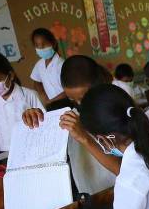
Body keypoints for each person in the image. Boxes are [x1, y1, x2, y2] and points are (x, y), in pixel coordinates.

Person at [22, 55, 119, 193]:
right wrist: (35, 118)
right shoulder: (71, 114)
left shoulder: (117, 114)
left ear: (99, 85)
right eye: (72, 99)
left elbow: (122, 169)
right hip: (90, 194)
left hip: (117, 192)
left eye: (83, 98)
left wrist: (84, 137)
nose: (79, 104)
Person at [29, 28, 65, 104]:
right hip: (51, 104)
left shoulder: (62, 64)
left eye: (44, 44)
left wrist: (52, 101)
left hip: (66, 102)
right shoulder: (39, 64)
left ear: (53, 43)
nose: (41, 48)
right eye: (37, 45)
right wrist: (43, 95)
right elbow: (36, 82)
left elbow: (69, 89)